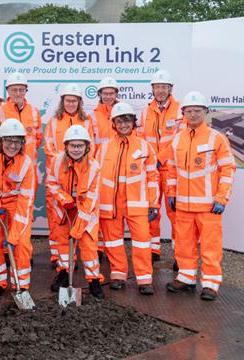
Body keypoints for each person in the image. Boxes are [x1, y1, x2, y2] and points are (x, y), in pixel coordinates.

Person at [165, 91, 236, 301]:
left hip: (208, 207)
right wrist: (171, 192)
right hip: (184, 207)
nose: (193, 114)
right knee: (184, 245)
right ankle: (186, 277)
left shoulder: (216, 138)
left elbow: (228, 169)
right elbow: (171, 169)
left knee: (210, 247)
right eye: (189, 111)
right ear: (183, 113)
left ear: (205, 112)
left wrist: (222, 198)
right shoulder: (178, 138)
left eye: (197, 111)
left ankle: (210, 284)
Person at [98, 102, 159, 295]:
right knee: (113, 241)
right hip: (110, 205)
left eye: (127, 121)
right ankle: (118, 274)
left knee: (142, 241)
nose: (123, 125)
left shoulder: (145, 147)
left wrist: (153, 203)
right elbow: (96, 176)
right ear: (113, 124)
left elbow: (152, 177)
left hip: (137, 204)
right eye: (119, 121)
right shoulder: (103, 148)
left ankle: (144, 279)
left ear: (133, 122)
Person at [46, 125, 104, 299]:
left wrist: (78, 229)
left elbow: (91, 201)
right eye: (73, 145)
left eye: (80, 146)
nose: (76, 149)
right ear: (66, 146)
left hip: (86, 214)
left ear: (87, 146)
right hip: (64, 211)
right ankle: (64, 273)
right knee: (63, 245)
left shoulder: (94, 167)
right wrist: (65, 200)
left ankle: (94, 280)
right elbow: (51, 183)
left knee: (88, 247)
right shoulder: (57, 161)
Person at [0, 118, 35, 298]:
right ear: (1, 140)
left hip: (17, 203)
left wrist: (13, 236)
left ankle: (21, 284)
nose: (13, 145)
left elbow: (25, 201)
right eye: (9, 140)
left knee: (21, 243)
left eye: (17, 141)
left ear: (22, 143)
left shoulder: (26, 163)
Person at [44, 83, 95, 268]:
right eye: (68, 100)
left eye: (74, 101)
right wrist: (64, 161)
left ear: (79, 102)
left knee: (83, 217)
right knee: (57, 219)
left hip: (82, 176)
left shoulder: (87, 120)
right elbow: (48, 147)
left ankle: (80, 256)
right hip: (59, 177)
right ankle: (58, 258)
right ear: (63, 101)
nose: (71, 104)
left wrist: (80, 165)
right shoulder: (54, 121)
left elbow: (92, 147)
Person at [137, 70, 185, 261]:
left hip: (172, 170)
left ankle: (180, 254)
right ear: (153, 89)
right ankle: (153, 249)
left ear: (170, 89)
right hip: (151, 171)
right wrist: (150, 160)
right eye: (157, 87)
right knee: (152, 209)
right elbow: (140, 139)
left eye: (164, 87)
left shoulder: (181, 110)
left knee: (176, 214)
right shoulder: (144, 112)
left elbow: (179, 139)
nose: (160, 91)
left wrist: (160, 158)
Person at [92, 76, 120, 148]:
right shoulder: (92, 117)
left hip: (121, 157)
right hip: (99, 158)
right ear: (100, 94)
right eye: (105, 93)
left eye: (111, 93)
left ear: (116, 94)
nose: (108, 97)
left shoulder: (124, 114)